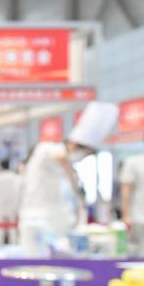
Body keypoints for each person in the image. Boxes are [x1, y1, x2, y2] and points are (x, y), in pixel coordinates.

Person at [19, 101, 118, 253]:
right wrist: (74, 180)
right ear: (74, 144)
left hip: (58, 225)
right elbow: (60, 156)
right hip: (37, 222)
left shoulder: (63, 168)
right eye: (84, 152)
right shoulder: (47, 149)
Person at [0, 159, 22, 245]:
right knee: (13, 230)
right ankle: (14, 247)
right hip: (13, 206)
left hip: (0, 206)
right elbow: (19, 194)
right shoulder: (15, 177)